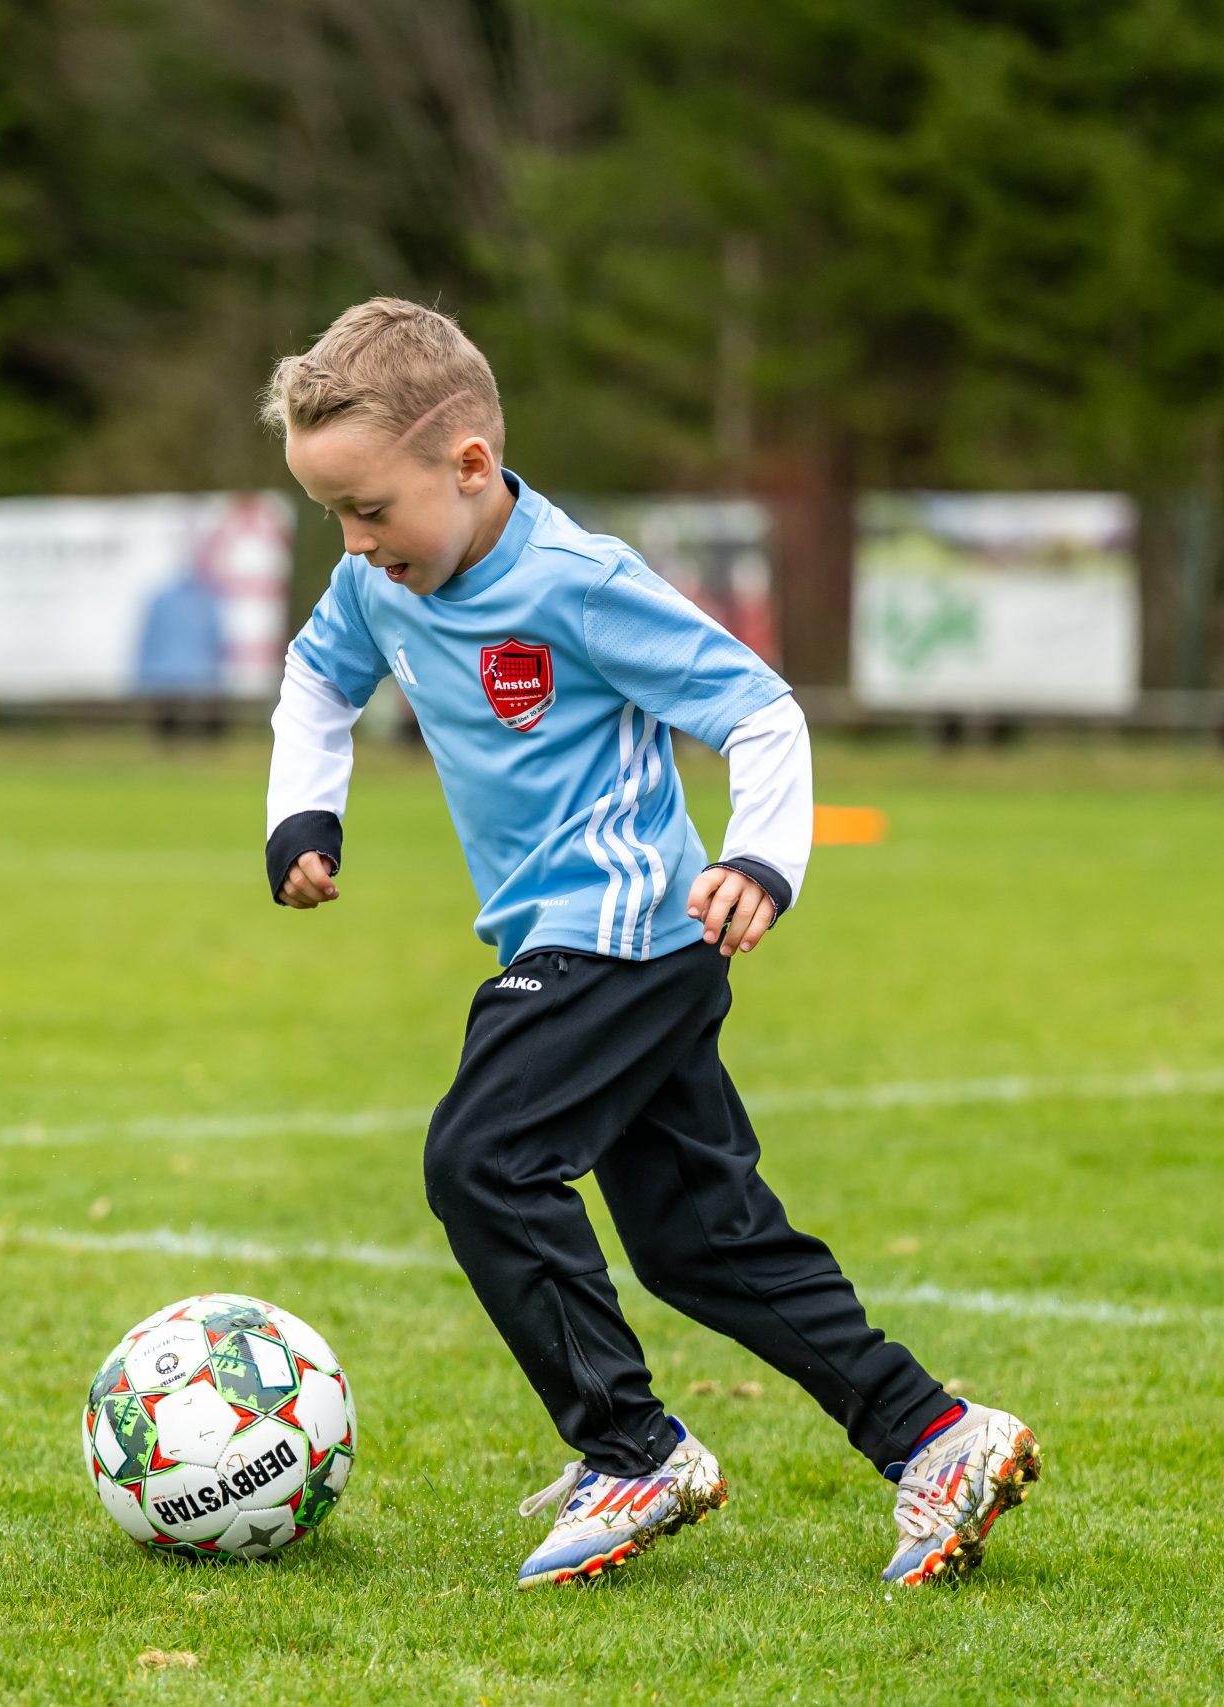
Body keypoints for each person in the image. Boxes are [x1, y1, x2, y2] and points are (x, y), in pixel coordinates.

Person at [257, 298, 1038, 1589]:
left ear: (469, 465)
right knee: (699, 1242)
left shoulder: (581, 582)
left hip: (623, 931)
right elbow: (315, 678)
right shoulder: (376, 585)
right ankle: (937, 1436)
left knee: (482, 1159)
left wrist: (760, 859)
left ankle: (633, 1450)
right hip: (597, 944)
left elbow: (761, 711)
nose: (353, 544)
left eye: (370, 510)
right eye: (331, 516)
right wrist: (302, 813)